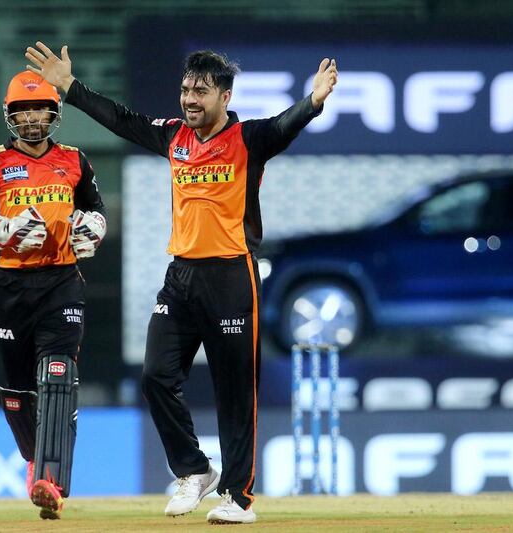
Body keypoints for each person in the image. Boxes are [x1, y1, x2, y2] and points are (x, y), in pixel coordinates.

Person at [26, 42, 337, 525]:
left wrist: (313, 102)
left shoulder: (249, 139)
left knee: (235, 394)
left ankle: (238, 497)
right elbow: (123, 119)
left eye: (201, 91)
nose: (189, 99)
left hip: (232, 276)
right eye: (185, 90)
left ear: (225, 96)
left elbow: (284, 125)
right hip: (182, 277)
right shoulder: (173, 136)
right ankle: (194, 470)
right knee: (155, 376)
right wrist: (70, 88)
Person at [0, 71, 107, 520]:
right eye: (23, 111)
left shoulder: (76, 160)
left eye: (40, 109)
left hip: (62, 282)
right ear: (11, 115)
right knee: (16, 391)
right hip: (11, 287)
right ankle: (33, 461)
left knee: (58, 375)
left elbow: (94, 208)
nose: (33, 118)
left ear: (54, 114)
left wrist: (94, 227)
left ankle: (51, 481)